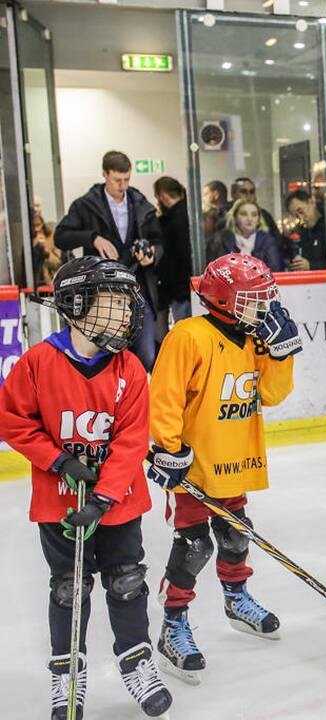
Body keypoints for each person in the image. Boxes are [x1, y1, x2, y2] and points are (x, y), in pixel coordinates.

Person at [0, 257, 173, 719]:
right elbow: (13, 420)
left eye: (125, 305)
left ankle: (137, 663)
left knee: (127, 579)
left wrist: (102, 496)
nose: (124, 315)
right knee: (68, 587)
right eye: (112, 305)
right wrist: (58, 460)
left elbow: (132, 440)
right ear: (76, 307)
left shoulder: (130, 369)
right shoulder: (39, 363)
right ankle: (67, 676)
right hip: (58, 502)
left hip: (117, 502)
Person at [147, 253, 301, 685]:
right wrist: (167, 448)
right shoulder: (189, 335)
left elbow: (271, 394)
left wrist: (281, 352)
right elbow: (165, 395)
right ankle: (173, 624)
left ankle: (236, 597)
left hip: (236, 460)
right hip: (195, 468)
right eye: (254, 299)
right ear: (226, 300)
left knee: (236, 536)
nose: (264, 307)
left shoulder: (253, 339)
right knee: (194, 546)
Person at [54, 150, 164, 373]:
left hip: (136, 286)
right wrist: (92, 237)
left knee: (147, 354)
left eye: (127, 179)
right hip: (100, 290)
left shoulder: (140, 203)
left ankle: (135, 396)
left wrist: (151, 254)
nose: (122, 186)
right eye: (117, 180)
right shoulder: (85, 205)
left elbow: (159, 242)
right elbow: (60, 236)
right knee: (104, 351)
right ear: (105, 174)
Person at [153, 176, 193, 324]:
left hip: (179, 288)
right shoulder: (191, 213)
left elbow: (173, 256)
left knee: (183, 328)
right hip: (191, 285)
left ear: (162, 196)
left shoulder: (171, 221)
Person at [207, 200, 286, 272]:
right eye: (244, 214)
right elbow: (212, 271)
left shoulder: (268, 241)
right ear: (235, 218)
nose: (249, 218)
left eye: (254, 215)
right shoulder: (219, 240)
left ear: (258, 220)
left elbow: (275, 270)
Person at [284, 188, 326, 270]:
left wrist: (311, 266)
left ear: (311, 202)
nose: (301, 218)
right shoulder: (300, 232)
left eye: (301, 211)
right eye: (296, 216)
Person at [31, 196, 62, 287]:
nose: (35, 209)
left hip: (49, 286)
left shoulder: (51, 234)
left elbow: (58, 264)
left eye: (37, 205)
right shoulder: (25, 236)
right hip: (32, 285)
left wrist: (46, 251)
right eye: (33, 206)